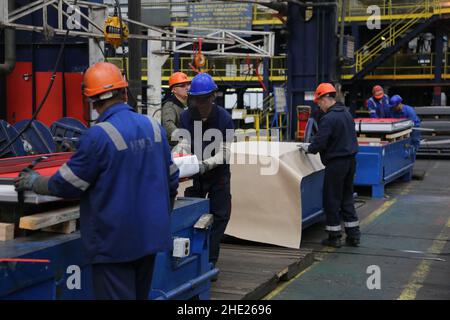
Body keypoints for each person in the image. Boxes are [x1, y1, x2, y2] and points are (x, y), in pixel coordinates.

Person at [14, 62, 179, 300]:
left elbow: (68, 185)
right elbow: (172, 178)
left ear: (92, 102)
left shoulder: (98, 136)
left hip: (115, 244)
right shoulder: (154, 128)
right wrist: (160, 218)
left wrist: (34, 181)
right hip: (151, 238)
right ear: (124, 93)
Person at [174, 73, 234, 273]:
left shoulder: (224, 119)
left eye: (204, 99)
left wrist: (205, 165)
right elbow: (184, 141)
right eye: (196, 99)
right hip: (196, 174)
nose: (200, 104)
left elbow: (225, 153)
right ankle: (192, 258)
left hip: (218, 175)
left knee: (221, 215)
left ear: (213, 96)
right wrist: (176, 156)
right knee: (192, 213)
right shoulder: (186, 116)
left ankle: (210, 259)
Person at [299, 83, 360, 248]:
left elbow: (320, 141)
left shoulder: (329, 118)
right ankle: (353, 235)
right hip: (350, 162)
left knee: (331, 199)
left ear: (325, 99)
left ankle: (334, 236)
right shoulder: (346, 114)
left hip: (336, 164)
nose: (319, 106)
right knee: (347, 197)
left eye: (319, 102)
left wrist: (309, 148)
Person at [162, 72, 191, 147]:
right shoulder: (170, 106)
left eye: (188, 84)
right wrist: (184, 138)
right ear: (174, 90)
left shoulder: (191, 103)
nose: (187, 87)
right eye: (182, 86)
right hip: (176, 148)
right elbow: (168, 125)